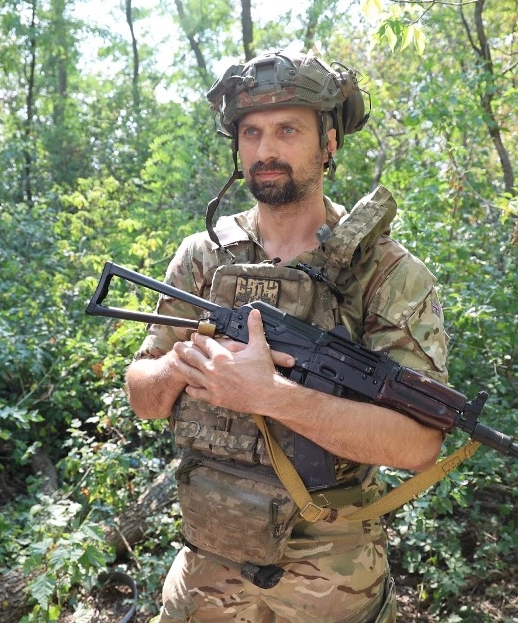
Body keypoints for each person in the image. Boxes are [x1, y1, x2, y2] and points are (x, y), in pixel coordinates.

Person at [125, 50, 448, 623]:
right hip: (208, 565)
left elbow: (419, 446)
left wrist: (270, 396)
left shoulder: (388, 274)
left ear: (329, 143)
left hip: (331, 582)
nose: (265, 150)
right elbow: (143, 396)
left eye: (287, 130)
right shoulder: (203, 257)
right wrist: (183, 363)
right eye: (251, 132)